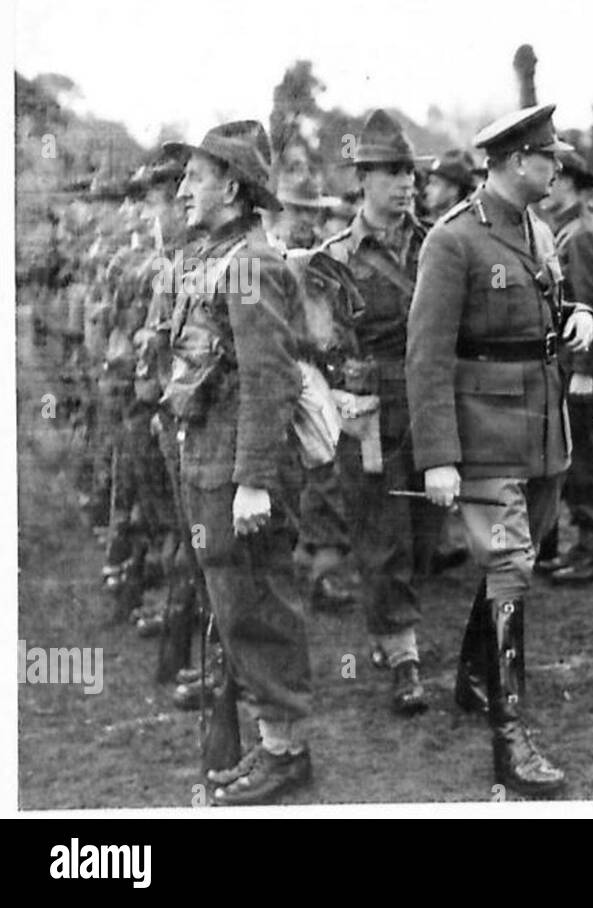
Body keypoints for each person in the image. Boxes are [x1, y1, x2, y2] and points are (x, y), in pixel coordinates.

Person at [407, 104, 593, 795]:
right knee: (512, 565)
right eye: (549, 157)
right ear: (519, 162)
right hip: (485, 429)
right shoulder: (453, 241)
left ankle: (475, 676)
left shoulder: (537, 229)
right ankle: (509, 737)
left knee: (519, 558)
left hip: (543, 428)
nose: (558, 168)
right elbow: (425, 357)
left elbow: (553, 304)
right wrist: (438, 456)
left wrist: (579, 317)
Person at [160, 120, 313, 805]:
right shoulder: (216, 255)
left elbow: (269, 380)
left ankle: (286, 753)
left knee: (256, 606)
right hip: (208, 463)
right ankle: (271, 743)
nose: (184, 188)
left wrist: (253, 482)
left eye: (195, 176)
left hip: (238, 474)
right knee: (232, 603)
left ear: (231, 185)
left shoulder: (251, 262)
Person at [319, 109, 435, 715]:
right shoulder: (333, 259)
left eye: (409, 171)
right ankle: (404, 655)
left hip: (435, 403)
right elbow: (320, 346)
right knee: (381, 533)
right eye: (391, 172)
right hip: (370, 411)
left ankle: (393, 633)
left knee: (426, 535)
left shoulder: (439, 242)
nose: (405, 182)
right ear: (362, 178)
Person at [534, 150, 593, 585]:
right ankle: (586, 545)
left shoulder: (581, 235)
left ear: (565, 181)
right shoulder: (565, 231)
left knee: (588, 455)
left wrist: (585, 370)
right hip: (570, 361)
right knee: (574, 454)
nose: (544, 185)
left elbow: (592, 306)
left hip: (583, 364)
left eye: (551, 177)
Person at [415, 149, 478, 225]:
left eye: (435, 183)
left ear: (454, 190)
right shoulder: (422, 227)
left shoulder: (467, 229)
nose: (427, 190)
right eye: (429, 183)